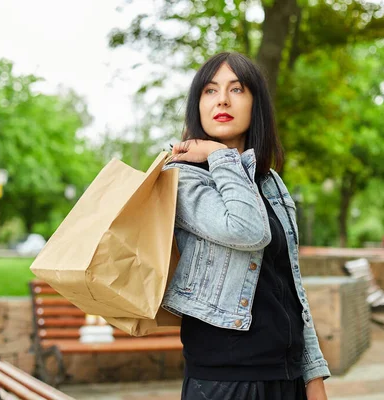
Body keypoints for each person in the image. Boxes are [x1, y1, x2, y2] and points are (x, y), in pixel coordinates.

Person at [163, 52, 330, 400]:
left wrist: (313, 375)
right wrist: (219, 155)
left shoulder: (271, 184)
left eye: (236, 89)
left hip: (286, 379)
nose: (222, 99)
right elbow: (246, 229)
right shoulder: (182, 178)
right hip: (225, 382)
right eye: (210, 91)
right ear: (198, 105)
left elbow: (292, 283)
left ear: (256, 104)